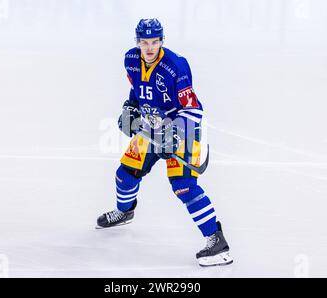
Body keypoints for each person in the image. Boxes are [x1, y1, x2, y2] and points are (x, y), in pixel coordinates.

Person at [96, 18, 233, 267]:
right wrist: (130, 107)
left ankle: (217, 243)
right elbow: (139, 89)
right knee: (124, 175)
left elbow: (193, 108)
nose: (149, 47)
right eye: (144, 42)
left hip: (184, 129)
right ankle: (125, 212)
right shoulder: (130, 59)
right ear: (137, 42)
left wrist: (176, 135)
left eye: (155, 41)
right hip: (151, 128)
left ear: (162, 41)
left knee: (184, 187)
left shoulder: (176, 66)